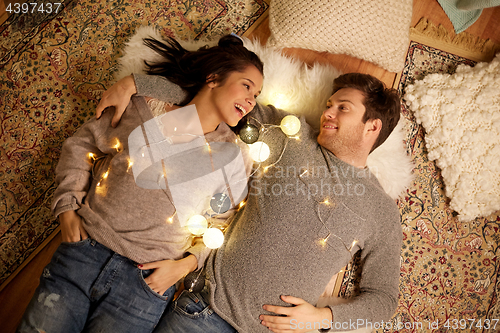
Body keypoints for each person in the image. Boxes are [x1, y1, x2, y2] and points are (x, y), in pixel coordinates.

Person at [96, 71, 402, 333]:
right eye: (328, 105)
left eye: (342, 108)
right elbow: (213, 101)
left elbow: (384, 301)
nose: (327, 113)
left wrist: (322, 319)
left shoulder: (381, 211)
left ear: (372, 126)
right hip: (204, 313)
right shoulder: (288, 135)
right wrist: (135, 83)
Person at [17, 34, 263, 333]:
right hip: (83, 254)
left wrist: (185, 266)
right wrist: (67, 209)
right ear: (213, 78)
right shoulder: (143, 108)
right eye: (247, 86)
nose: (251, 100)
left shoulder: (235, 157)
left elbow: (222, 224)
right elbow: (81, 146)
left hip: (144, 287)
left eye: (257, 95)